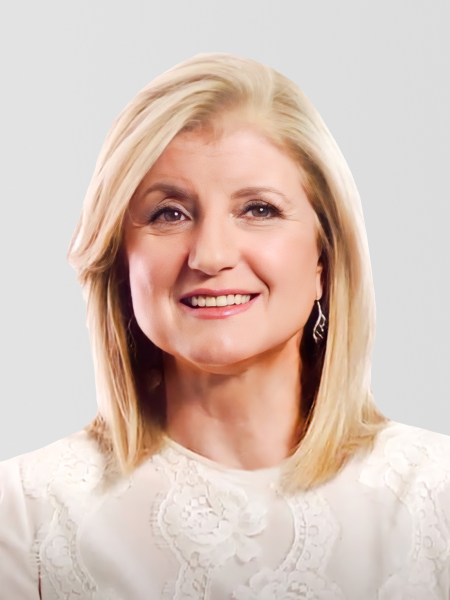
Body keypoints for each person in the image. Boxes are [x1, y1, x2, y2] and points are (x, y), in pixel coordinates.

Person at [1, 53, 449, 600]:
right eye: (169, 213)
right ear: (120, 263)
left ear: (323, 262)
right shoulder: (24, 514)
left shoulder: (438, 496)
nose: (211, 255)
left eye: (258, 210)